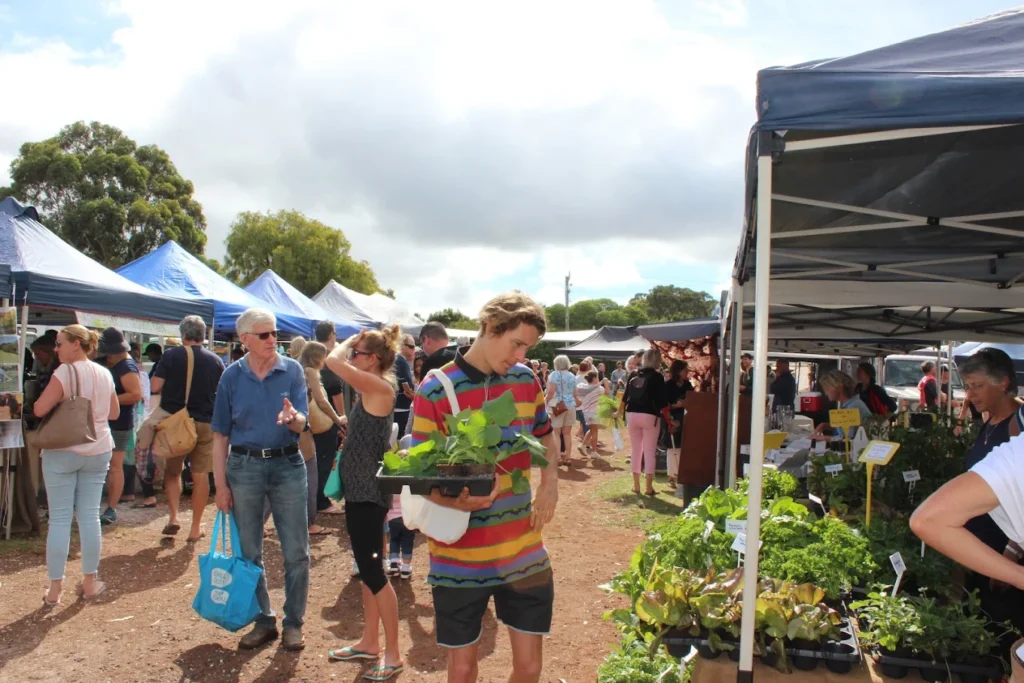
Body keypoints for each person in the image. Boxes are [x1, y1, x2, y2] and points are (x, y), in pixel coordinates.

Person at [409, 292, 558, 683]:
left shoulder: (526, 381)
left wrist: (550, 483)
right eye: (517, 343)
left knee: (529, 668)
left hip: (523, 553)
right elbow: (419, 476)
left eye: (528, 347)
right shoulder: (436, 389)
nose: (521, 356)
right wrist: (454, 502)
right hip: (458, 560)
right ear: (491, 328)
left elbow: (546, 435)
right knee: (462, 669)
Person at [212, 308, 311, 651]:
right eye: (266, 335)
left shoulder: (292, 370)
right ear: (245, 340)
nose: (274, 340)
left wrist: (293, 417)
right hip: (244, 468)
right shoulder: (231, 377)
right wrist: (220, 486)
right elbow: (220, 436)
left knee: (296, 550)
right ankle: (264, 621)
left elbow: (302, 422)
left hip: (287, 464)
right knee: (249, 550)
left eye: (275, 334)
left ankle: (294, 623)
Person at [909, 354, 1024, 641]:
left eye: (977, 386)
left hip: (1002, 549)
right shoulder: (990, 422)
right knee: (982, 621)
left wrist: (1010, 553)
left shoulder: (1016, 427)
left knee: (1003, 627)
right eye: (967, 386)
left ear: (1003, 383)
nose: (969, 394)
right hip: (979, 542)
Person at [325, 326, 404, 680]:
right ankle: (370, 642)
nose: (350, 356)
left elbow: (329, 360)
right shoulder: (372, 386)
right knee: (366, 570)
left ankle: (393, 654)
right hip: (361, 489)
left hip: (367, 491)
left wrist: (345, 340)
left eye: (357, 352)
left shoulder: (380, 386)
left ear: (372, 359)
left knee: (374, 572)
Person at [33, 325, 118, 605]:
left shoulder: (65, 372)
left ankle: (55, 589)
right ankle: (90, 582)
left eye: (59, 343)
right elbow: (114, 412)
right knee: (90, 516)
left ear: (76, 345)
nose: (56, 349)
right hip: (99, 448)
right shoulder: (105, 372)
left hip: (64, 449)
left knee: (59, 519)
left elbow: (39, 409)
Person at [142, 316, 226, 541]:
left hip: (175, 423)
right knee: (200, 476)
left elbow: (155, 386)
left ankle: (174, 517)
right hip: (205, 422)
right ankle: (196, 527)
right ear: (202, 334)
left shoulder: (171, 355)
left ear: (183, 334)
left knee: (173, 471)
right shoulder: (215, 360)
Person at [299, 341, 345, 536]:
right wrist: (337, 419)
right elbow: (321, 400)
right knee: (321, 465)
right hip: (321, 427)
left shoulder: (301, 369)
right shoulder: (310, 372)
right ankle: (321, 502)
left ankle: (318, 502)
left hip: (310, 428)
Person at [97, 328, 142, 526]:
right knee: (109, 466)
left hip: (119, 423)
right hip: (111, 421)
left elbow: (135, 394)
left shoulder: (126, 366)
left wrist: (105, 401)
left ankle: (111, 508)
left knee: (115, 467)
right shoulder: (121, 364)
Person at [619, 348, 671, 496]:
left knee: (636, 450)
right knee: (649, 451)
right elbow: (662, 402)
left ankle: (636, 486)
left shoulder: (634, 374)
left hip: (632, 414)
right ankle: (648, 487)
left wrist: (618, 412)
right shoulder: (657, 377)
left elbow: (625, 396)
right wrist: (669, 417)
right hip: (650, 416)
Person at [313, 321, 346, 515]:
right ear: (332, 334)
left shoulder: (311, 355)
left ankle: (319, 498)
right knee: (326, 460)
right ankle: (321, 501)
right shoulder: (328, 359)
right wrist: (341, 419)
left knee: (320, 459)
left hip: (316, 419)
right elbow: (336, 393)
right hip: (328, 420)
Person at [811, 370, 872, 442]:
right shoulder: (847, 404)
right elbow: (843, 427)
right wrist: (825, 425)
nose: (826, 393)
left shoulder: (853, 407)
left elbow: (847, 438)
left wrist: (823, 438)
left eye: (827, 389)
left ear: (839, 387)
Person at [545, 354, 579, 467]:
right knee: (567, 433)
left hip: (558, 406)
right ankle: (568, 457)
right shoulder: (572, 375)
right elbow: (575, 393)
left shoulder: (554, 374)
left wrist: (546, 401)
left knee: (556, 433)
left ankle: (558, 457)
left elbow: (551, 391)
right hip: (570, 405)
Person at [664, 360, 690, 491]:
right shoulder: (668, 385)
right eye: (685, 370)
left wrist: (687, 403)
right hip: (672, 419)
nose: (687, 372)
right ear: (678, 371)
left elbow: (693, 399)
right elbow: (663, 404)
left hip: (685, 419)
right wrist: (675, 405)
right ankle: (671, 476)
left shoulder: (687, 384)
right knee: (672, 448)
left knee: (684, 447)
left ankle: (682, 474)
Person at [578, 371, 609, 458]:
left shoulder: (583, 387)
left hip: (586, 413)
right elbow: (608, 393)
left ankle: (583, 445)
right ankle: (593, 452)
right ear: (595, 378)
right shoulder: (599, 389)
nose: (598, 379)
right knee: (595, 431)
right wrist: (605, 383)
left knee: (592, 430)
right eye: (597, 377)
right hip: (594, 413)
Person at [393, 334, 416, 438]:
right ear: (402, 345)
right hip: (402, 407)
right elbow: (407, 385)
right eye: (411, 346)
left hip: (394, 405)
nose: (413, 349)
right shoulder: (401, 362)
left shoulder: (394, 359)